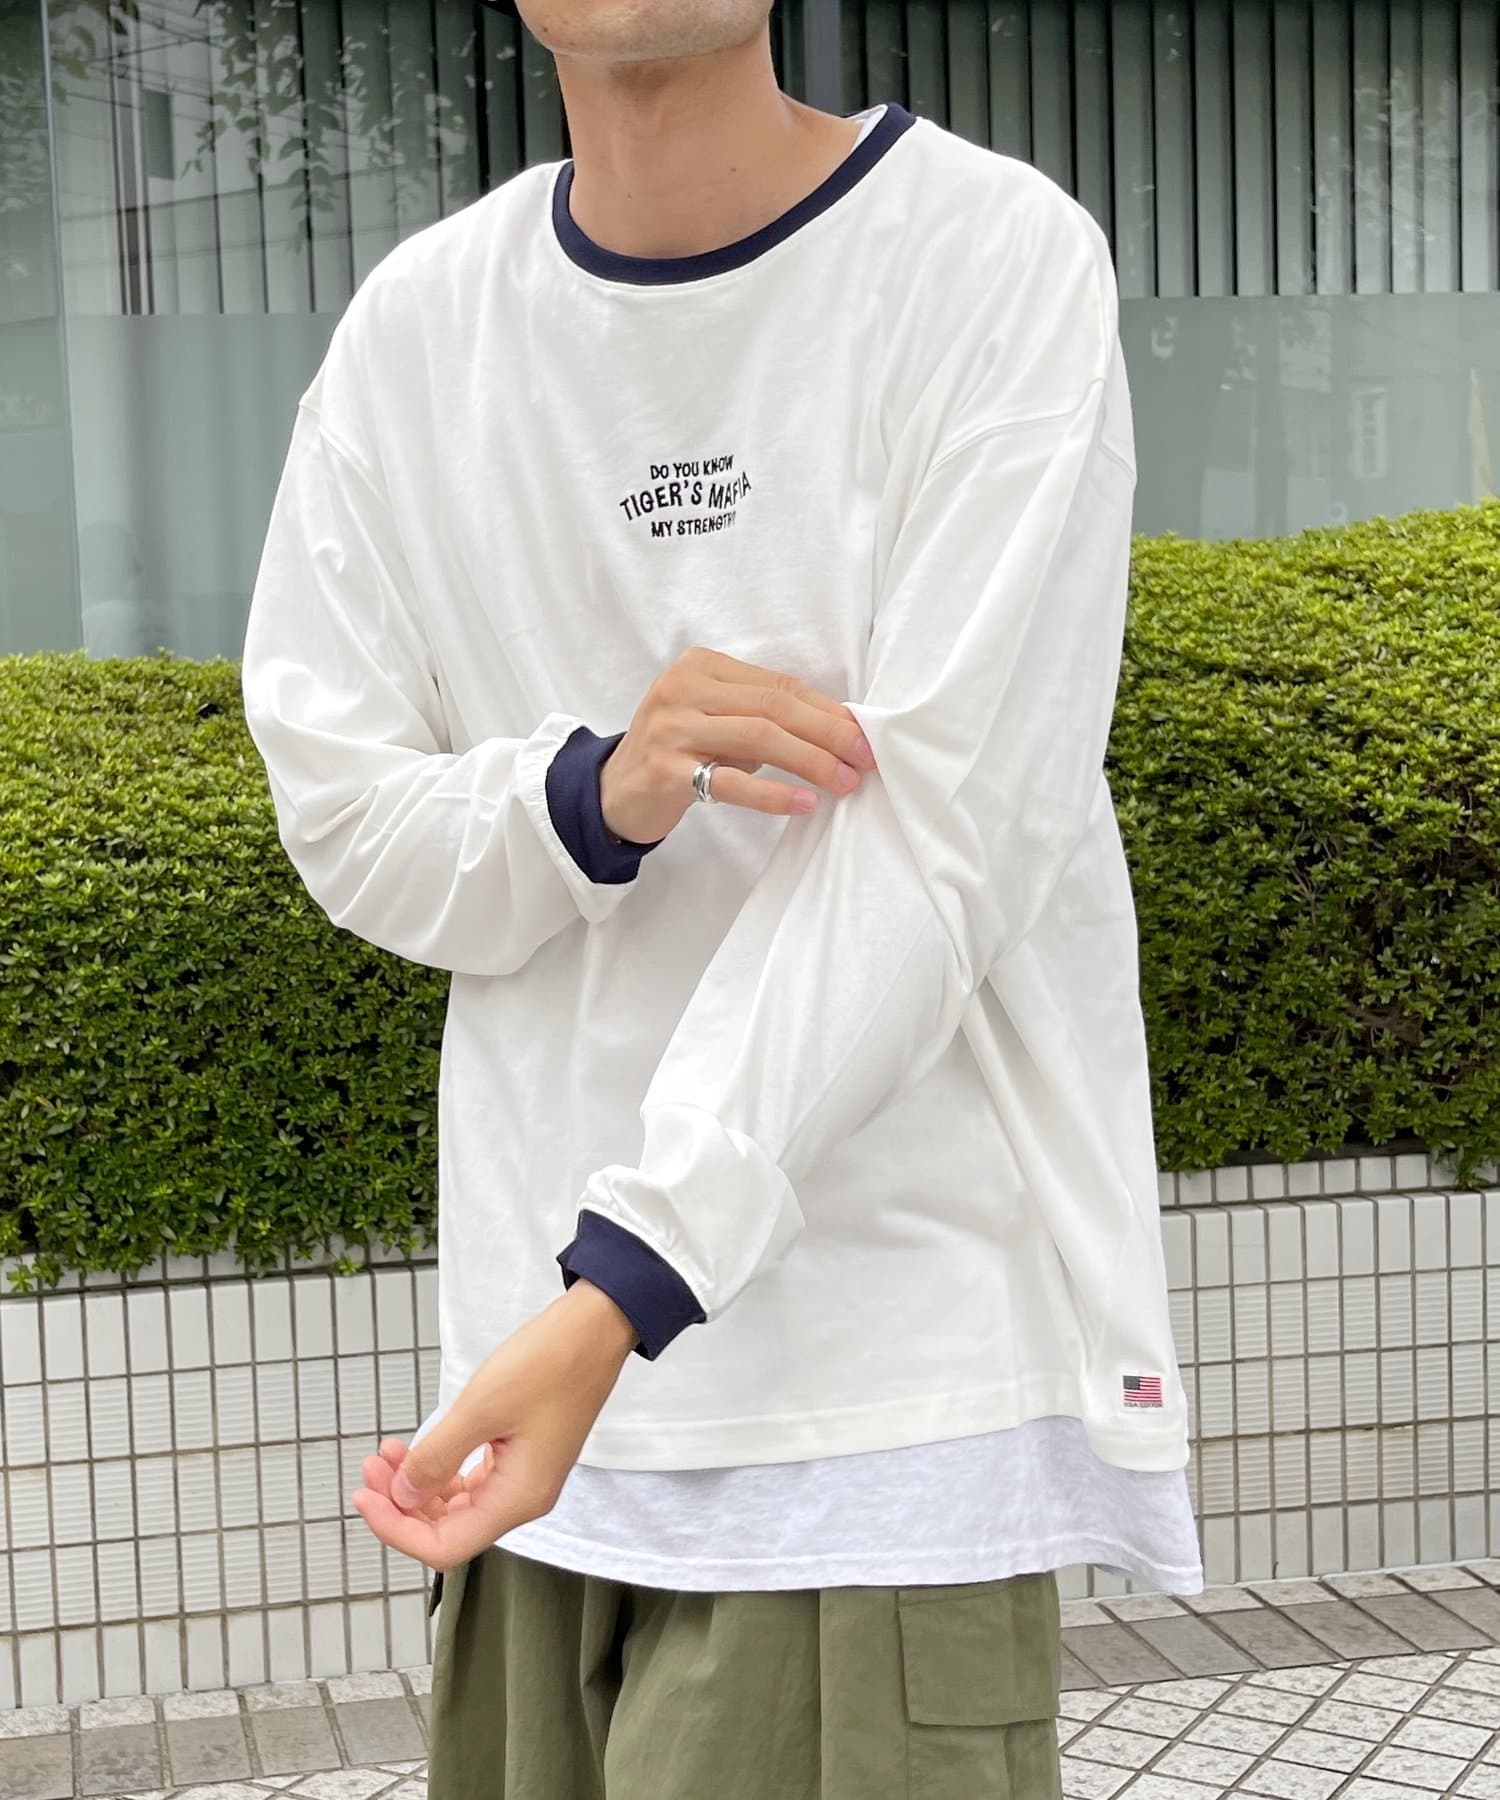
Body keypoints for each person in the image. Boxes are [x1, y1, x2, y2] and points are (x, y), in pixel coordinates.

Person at [240, 5, 1205, 1795]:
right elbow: (348, 815)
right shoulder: (417, 332)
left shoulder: (988, 260)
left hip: (870, 1416)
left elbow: (946, 841)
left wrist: (622, 1284)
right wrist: (594, 791)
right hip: (538, 1427)